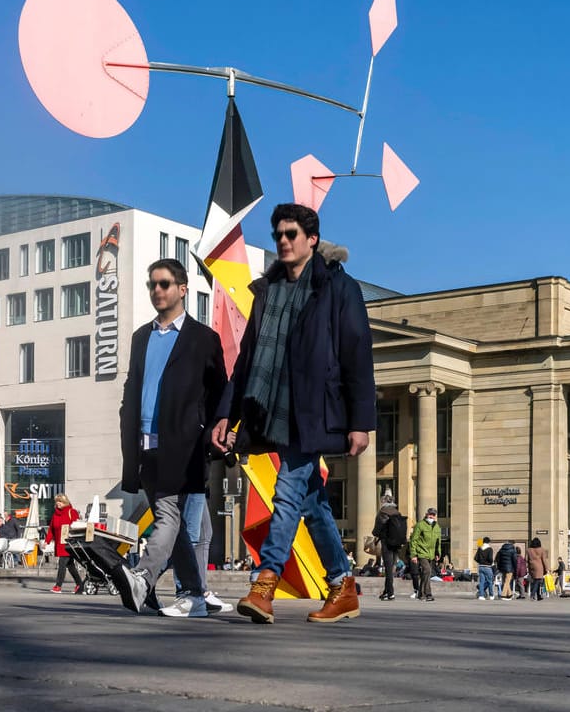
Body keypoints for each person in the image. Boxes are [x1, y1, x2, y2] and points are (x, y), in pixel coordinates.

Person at [215, 205, 376, 625]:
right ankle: (343, 587)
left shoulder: (338, 288)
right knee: (311, 503)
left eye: (291, 234)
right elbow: (246, 361)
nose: (283, 241)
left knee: (287, 492)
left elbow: (357, 354)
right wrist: (225, 415)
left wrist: (361, 422)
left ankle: (264, 583)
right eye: (278, 235)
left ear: (312, 240)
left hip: (315, 410)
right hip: (274, 410)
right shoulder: (267, 292)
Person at [116, 258, 227, 618]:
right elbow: (134, 386)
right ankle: (195, 593)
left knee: (168, 515)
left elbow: (219, 393)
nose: (157, 291)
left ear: (182, 289)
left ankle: (142, 577)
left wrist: (210, 432)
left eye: (164, 284)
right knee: (184, 525)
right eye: (152, 285)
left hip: (183, 443)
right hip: (144, 444)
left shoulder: (203, 338)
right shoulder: (141, 337)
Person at [48, 496, 85, 593]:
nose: (58, 503)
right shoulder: (55, 514)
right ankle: (80, 585)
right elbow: (51, 529)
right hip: (60, 544)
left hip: (69, 543)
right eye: (57, 502)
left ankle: (58, 586)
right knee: (70, 566)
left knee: (62, 563)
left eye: (60, 501)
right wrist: (47, 541)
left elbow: (77, 526)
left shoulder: (71, 512)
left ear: (65, 502)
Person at [372, 499, 407, 601]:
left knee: (388, 569)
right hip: (397, 544)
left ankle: (390, 593)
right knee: (392, 568)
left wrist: (376, 534)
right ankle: (386, 592)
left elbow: (376, 530)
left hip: (387, 543)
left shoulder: (382, 513)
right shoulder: (397, 513)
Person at [409, 510, 445, 602]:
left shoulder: (437, 527)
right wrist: (413, 554)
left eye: (433, 515)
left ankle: (421, 594)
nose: (431, 516)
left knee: (426, 573)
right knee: (427, 571)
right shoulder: (420, 525)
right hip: (422, 552)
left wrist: (438, 553)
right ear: (426, 515)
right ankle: (428, 593)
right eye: (430, 514)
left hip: (431, 554)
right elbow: (413, 540)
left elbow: (438, 542)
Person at [524, 538, 549, 602]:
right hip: (539, 568)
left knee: (536, 581)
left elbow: (526, 560)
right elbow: (544, 560)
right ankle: (532, 595)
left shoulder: (528, 550)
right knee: (537, 581)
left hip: (532, 567)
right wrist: (547, 569)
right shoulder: (541, 550)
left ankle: (538, 596)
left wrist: (527, 567)